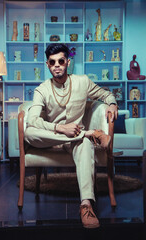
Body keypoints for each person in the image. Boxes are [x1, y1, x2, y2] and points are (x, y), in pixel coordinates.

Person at [25, 43, 118, 228]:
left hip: (75, 140)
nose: (57, 65)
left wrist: (113, 103)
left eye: (61, 60)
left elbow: (105, 94)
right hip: (52, 138)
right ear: (48, 64)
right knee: (28, 132)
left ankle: (86, 204)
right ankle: (90, 134)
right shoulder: (41, 89)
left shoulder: (82, 81)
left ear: (68, 62)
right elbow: (33, 120)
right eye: (52, 62)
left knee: (84, 144)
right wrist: (60, 128)